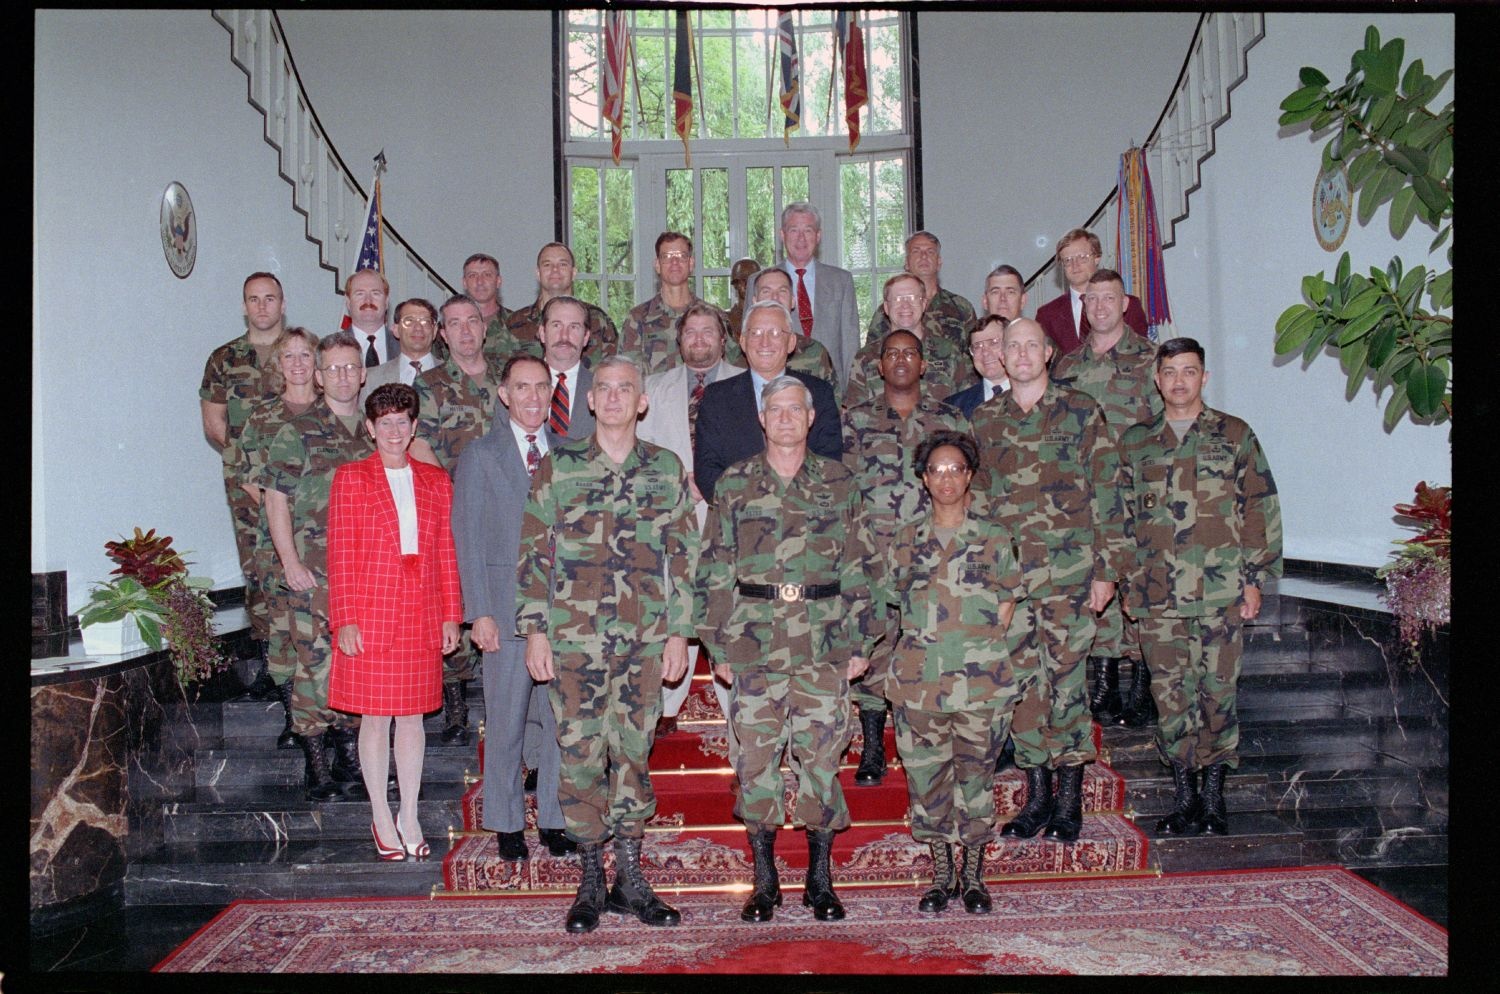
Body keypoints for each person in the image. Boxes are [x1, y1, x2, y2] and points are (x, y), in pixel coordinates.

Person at [516, 354, 698, 934]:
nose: (615, 397)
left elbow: (684, 557)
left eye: (627, 389)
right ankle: (592, 878)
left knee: (634, 753)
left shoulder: (665, 468)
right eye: (605, 390)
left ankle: (632, 880)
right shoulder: (560, 465)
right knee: (579, 755)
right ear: (590, 401)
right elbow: (534, 550)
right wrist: (536, 628)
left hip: (644, 642)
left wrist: (679, 633)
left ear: (643, 402)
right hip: (574, 642)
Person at [695, 374, 876, 924]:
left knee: (822, 758)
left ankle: (820, 880)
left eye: (795, 409)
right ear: (762, 416)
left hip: (823, 642)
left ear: (812, 416)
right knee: (755, 762)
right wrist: (716, 641)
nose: (786, 418)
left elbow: (862, 566)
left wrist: (860, 640)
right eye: (776, 409)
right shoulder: (735, 484)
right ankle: (765, 880)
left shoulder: (840, 482)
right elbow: (714, 566)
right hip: (753, 642)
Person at [1119, 337, 1282, 837]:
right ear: (1157, 379)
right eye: (1169, 372)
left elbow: (1260, 508)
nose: (1179, 381)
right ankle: (1184, 796)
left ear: (1204, 377)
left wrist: (1255, 581)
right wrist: (1126, 582)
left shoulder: (1234, 434)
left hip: (1221, 594)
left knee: (1217, 695)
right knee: (1170, 698)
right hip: (1157, 597)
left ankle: (1214, 799)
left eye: (1189, 371)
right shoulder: (1137, 441)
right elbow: (1119, 519)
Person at [970, 318, 1124, 844]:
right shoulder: (986, 420)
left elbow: (1107, 490)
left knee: (1066, 686)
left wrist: (1107, 570)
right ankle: (1036, 799)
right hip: (1011, 584)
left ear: (1048, 353)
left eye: (1030, 345)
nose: (1020, 354)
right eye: (1011, 347)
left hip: (1071, 579)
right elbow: (978, 504)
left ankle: (1069, 801)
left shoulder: (1080, 410)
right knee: (1022, 690)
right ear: (1001, 358)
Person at [877, 430, 1021, 914]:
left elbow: (1006, 605)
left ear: (970, 476)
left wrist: (972, 646)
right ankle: (942, 875)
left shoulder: (994, 537)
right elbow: (893, 603)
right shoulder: (904, 541)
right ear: (923, 478)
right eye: (936, 469)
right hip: (919, 684)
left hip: (981, 684)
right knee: (928, 780)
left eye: (955, 469)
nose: (946, 478)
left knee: (976, 779)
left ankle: (975, 876)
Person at [327, 383, 463, 861]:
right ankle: (381, 815)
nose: (393, 430)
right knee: (374, 717)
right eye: (383, 422)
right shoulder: (350, 478)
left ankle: (409, 813)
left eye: (401, 422)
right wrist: (343, 617)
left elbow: (447, 552)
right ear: (369, 428)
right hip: (370, 613)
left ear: (413, 427)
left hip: (421, 612)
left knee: (413, 718)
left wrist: (452, 614)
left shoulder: (435, 481)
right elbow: (340, 553)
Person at [454, 355, 577, 861]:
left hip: (560, 614)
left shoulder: (570, 455)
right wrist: (478, 611)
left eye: (541, 387)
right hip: (504, 614)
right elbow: (468, 538)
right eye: (521, 387)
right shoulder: (481, 456)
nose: (532, 397)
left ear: (552, 394)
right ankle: (505, 822)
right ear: (503, 394)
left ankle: (553, 818)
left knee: (556, 721)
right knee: (505, 720)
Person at [840, 329, 968, 786]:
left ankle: (930, 746)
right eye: (891, 353)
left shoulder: (948, 419)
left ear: (922, 363)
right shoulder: (853, 421)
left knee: (927, 647)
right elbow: (841, 490)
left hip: (932, 559)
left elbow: (971, 489)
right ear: (878, 366)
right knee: (873, 650)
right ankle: (873, 747)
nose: (899, 360)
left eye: (909, 353)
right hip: (872, 557)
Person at [260, 331, 375, 802]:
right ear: (321, 378)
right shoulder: (299, 431)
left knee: (356, 665)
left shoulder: (375, 432)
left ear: (363, 374)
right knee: (314, 667)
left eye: (351, 367)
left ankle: (350, 759)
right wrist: (289, 562)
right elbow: (275, 499)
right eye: (334, 369)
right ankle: (317, 765)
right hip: (312, 570)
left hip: (363, 574)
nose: (343, 376)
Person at [1052, 268, 1165, 728]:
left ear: (1124, 303)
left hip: (1135, 493)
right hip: (1083, 497)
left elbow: (1165, 429)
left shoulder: (1149, 358)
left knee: (1137, 589)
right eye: (1091, 299)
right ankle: (1101, 681)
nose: (1098, 306)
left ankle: (1141, 683)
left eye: (1108, 298)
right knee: (1091, 586)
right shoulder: (1066, 366)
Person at [637, 303, 744, 745]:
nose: (699, 340)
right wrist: (677, 485)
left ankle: (735, 704)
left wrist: (711, 483)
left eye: (708, 332)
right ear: (679, 341)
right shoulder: (653, 387)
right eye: (691, 333)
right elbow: (639, 452)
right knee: (673, 605)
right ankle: (666, 704)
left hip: (730, 516)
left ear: (724, 339)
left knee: (727, 609)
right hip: (671, 517)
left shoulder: (746, 384)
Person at [408, 293, 504, 746]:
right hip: (454, 507)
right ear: (442, 335)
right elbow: (419, 444)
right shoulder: (429, 385)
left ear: (485, 326)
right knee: (453, 601)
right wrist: (450, 498)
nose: (465, 330)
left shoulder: (510, 376)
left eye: (472, 321)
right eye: (454, 324)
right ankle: (456, 704)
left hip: (509, 511)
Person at [231, 327, 321, 752]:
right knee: (283, 634)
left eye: (307, 355)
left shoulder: (333, 412)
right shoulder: (262, 417)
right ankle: (293, 720)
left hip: (328, 546)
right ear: (278, 365)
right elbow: (247, 476)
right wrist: (282, 507)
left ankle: (327, 720)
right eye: (291, 357)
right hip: (277, 546)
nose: (299, 364)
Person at [201, 271, 286, 697]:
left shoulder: (300, 352)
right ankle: (271, 660)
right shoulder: (224, 358)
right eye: (254, 299)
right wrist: (250, 472)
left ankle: (305, 653)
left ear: (282, 304)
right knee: (258, 567)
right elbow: (215, 424)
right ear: (244, 305)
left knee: (302, 561)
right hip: (245, 483)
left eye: (269, 298)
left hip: (298, 479)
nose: (262, 307)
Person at [693, 300, 842, 502]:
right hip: (740, 518)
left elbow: (830, 461)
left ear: (791, 342)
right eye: (756, 333)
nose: (765, 343)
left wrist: (793, 511)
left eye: (774, 333)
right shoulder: (716, 398)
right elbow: (707, 469)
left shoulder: (818, 393)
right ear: (743, 342)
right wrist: (755, 510)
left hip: (807, 516)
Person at [747, 202, 860, 384]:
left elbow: (850, 345)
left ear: (818, 236)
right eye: (793, 230)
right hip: (778, 387)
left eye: (808, 231)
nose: (801, 239)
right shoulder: (759, 282)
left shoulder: (841, 281)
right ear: (782, 235)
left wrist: (850, 394)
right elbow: (750, 340)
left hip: (831, 386)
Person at [842, 272, 976, 410]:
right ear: (886, 308)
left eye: (912, 298)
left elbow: (967, 405)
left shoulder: (950, 353)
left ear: (924, 304)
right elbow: (854, 415)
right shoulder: (866, 358)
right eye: (898, 299)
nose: (905, 305)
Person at [493, 242, 617, 365]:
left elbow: (615, 371)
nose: (555, 270)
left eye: (562, 264)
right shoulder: (514, 323)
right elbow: (502, 374)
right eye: (547, 265)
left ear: (573, 273)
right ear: (538, 273)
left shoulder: (597, 320)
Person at [1034, 229, 1149, 356]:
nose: (1075, 265)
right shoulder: (1047, 315)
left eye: (1082, 257)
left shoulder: (1128, 305)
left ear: (1097, 258)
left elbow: (1141, 354)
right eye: (1067, 260)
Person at [619, 232, 715, 376]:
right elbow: (625, 375)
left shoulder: (714, 317)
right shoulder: (637, 319)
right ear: (657, 265)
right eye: (667, 256)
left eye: (681, 256)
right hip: (654, 398)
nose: (674, 262)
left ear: (691, 264)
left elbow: (733, 375)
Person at [864, 232, 976, 353]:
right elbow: (873, 356)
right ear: (906, 262)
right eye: (916, 251)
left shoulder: (961, 307)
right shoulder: (889, 310)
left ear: (939, 262)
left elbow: (975, 353)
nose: (923, 256)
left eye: (930, 252)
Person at [746, 266, 838, 389]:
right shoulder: (739, 354)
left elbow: (830, 403)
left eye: (782, 291)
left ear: (793, 301)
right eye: (766, 291)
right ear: (754, 301)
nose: (774, 298)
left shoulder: (815, 352)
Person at [537, 295, 597, 444]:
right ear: (543, 333)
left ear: (586, 337)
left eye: (574, 327)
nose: (564, 336)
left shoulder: (601, 389)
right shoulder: (514, 388)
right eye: (556, 325)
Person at [360, 298, 441, 406]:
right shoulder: (371, 379)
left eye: (425, 321)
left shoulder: (455, 376)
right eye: (409, 321)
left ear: (434, 331)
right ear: (396, 330)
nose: (418, 328)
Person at [946, 314, 1010, 419]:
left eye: (993, 343)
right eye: (977, 346)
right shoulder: (953, 407)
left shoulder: (1037, 397)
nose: (985, 352)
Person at [343, 268, 399, 367]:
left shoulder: (405, 347)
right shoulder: (328, 348)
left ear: (386, 302)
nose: (368, 301)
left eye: (375, 293)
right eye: (360, 294)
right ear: (348, 302)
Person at [461, 253, 510, 342]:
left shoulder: (517, 324)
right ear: (464, 283)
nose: (480, 282)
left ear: (498, 281)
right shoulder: (450, 327)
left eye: (487, 275)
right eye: (472, 275)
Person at [725, 256, 761, 343]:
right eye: (742, 280)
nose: (747, 285)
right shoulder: (726, 318)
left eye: (752, 280)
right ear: (735, 284)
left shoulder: (767, 317)